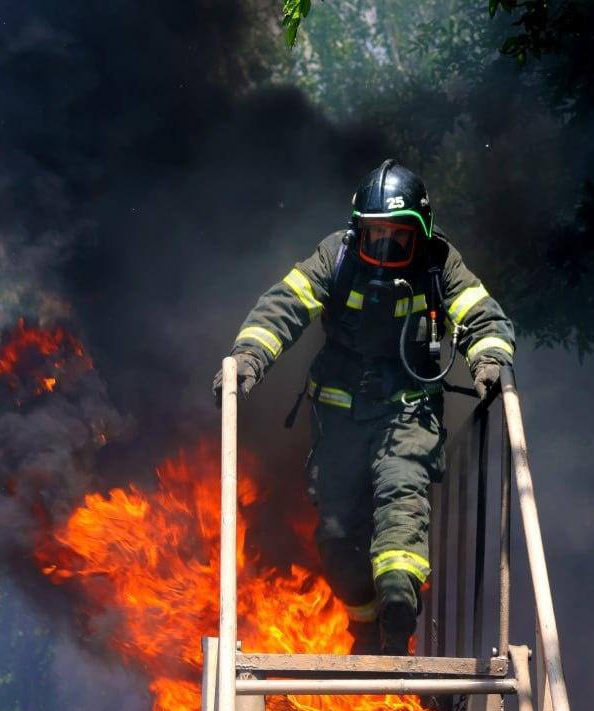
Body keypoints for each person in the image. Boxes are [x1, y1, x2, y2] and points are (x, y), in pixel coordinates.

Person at [213, 159, 515, 655]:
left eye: (399, 238)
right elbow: (284, 304)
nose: (386, 248)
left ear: (422, 232)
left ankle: (399, 606)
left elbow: (481, 314)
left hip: (409, 411)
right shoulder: (335, 256)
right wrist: (249, 356)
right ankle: (366, 627)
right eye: (375, 237)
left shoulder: (440, 263)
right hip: (340, 417)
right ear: (359, 233)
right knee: (336, 540)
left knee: (402, 496)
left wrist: (489, 359)